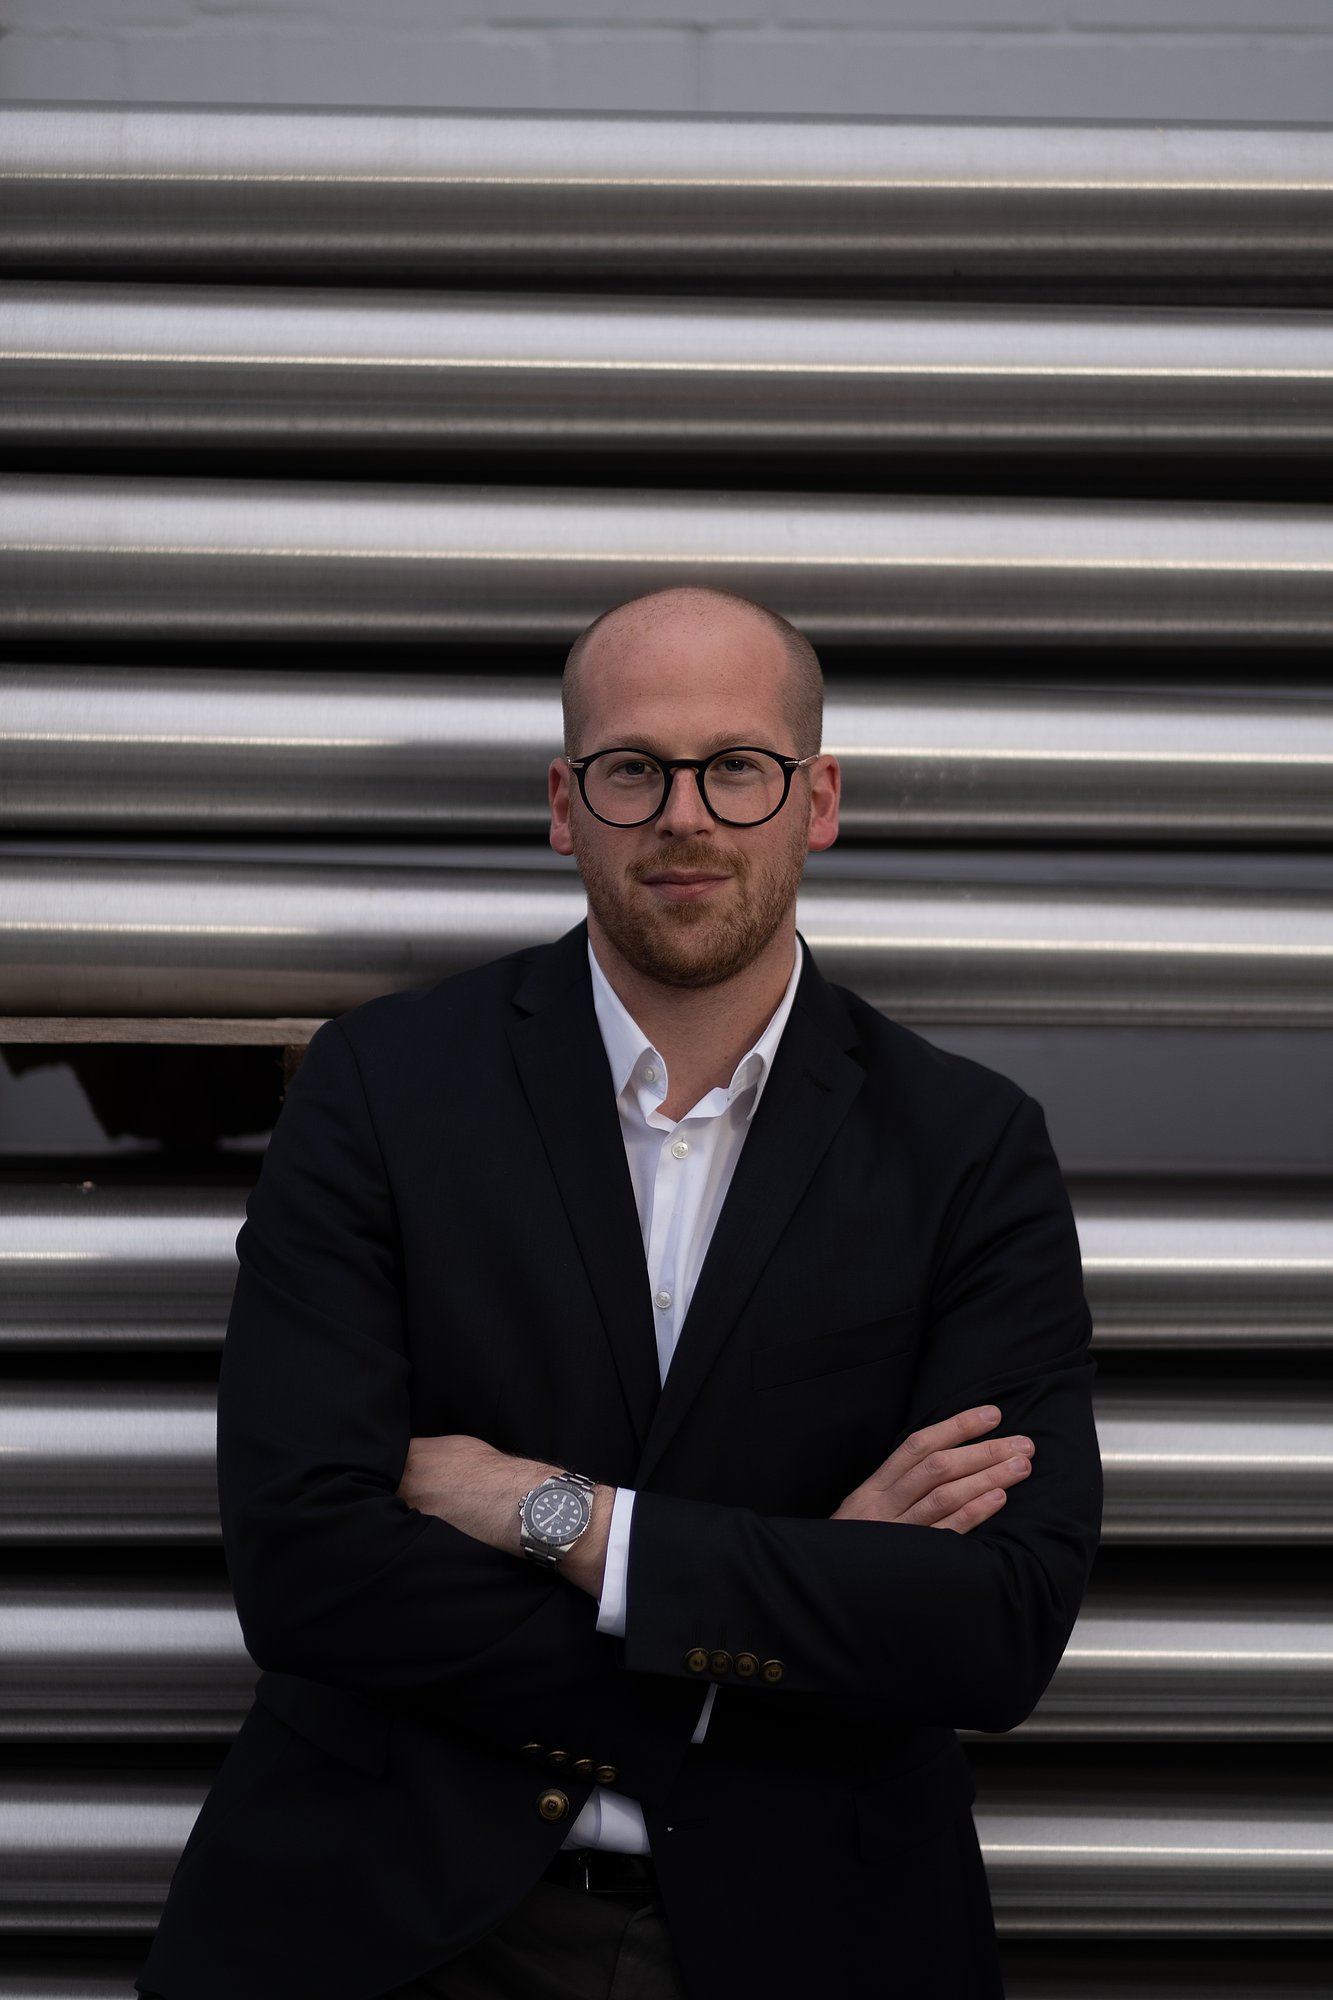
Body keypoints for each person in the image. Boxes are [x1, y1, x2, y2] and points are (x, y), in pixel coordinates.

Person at [138, 587, 1101, 2000]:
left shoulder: (968, 1146)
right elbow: (303, 1568)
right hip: (390, 1930)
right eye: (633, 768)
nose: (684, 815)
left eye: (737, 767)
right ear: (564, 805)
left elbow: (995, 1626)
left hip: (809, 1940)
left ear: (816, 800)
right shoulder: (381, 1088)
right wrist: (799, 1608)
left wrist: (556, 1514)